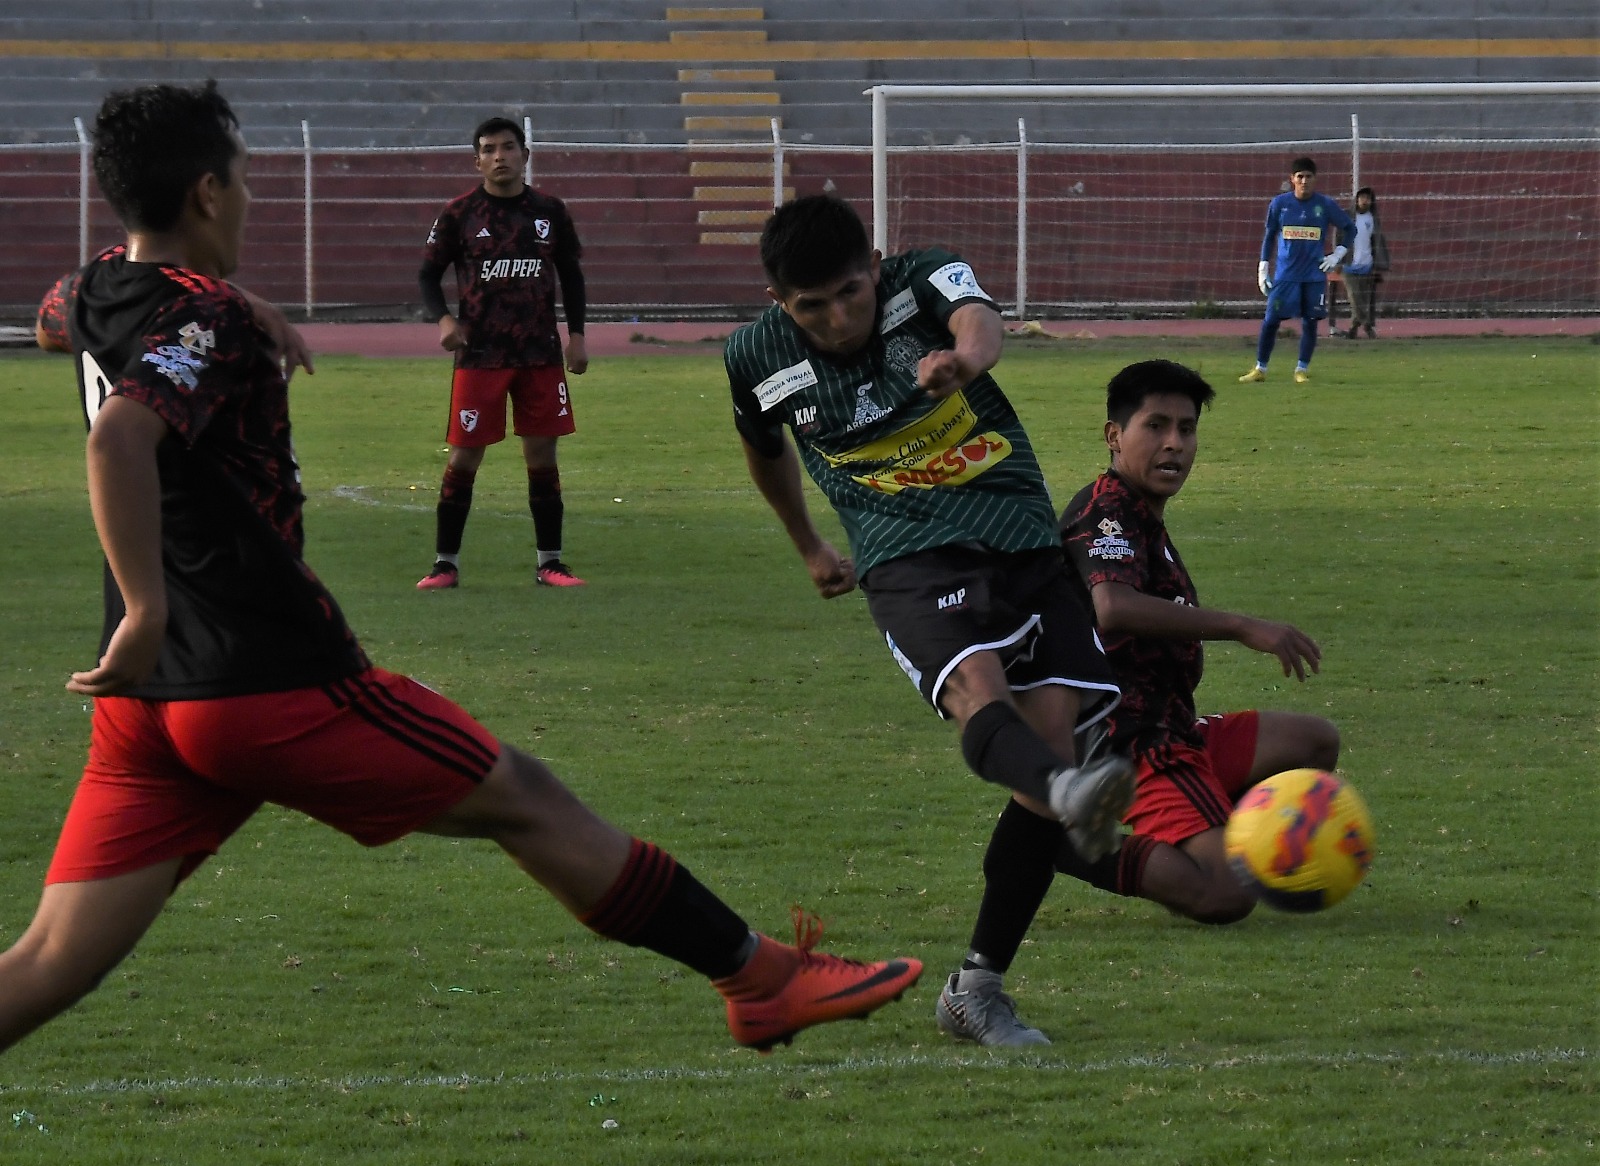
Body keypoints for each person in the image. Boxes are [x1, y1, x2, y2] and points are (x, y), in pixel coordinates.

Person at [4, 81, 921, 1061]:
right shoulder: (209, 318)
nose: (251, 196)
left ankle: (760, 977)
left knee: (54, 954)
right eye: (242, 180)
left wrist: (240, 305)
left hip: (146, 705)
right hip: (261, 674)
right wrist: (143, 602)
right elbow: (118, 441)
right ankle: (760, 979)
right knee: (525, 797)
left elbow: (65, 315)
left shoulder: (99, 279)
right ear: (207, 194)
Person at [724, 194, 1135, 1048]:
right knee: (981, 693)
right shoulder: (756, 356)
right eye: (811, 307)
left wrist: (964, 364)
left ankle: (974, 987)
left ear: (874, 265)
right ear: (778, 304)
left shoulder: (921, 278)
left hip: (1015, 522)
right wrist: (807, 544)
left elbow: (981, 320)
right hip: (906, 548)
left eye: (850, 291)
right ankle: (1068, 792)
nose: (838, 318)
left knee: (1051, 738)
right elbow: (764, 450)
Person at [1058, 359, 1341, 922]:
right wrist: (1242, 626)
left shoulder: (1143, 515)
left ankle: (1209, 830)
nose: (1174, 444)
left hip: (1174, 727)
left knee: (1313, 743)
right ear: (1114, 436)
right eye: (1155, 426)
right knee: (1227, 894)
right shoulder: (1107, 511)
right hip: (1128, 743)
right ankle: (1059, 843)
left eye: (1186, 429)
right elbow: (1112, 607)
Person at [416, 116, 589, 590]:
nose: (499, 156)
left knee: (542, 454)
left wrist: (577, 335)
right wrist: (445, 320)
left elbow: (572, 275)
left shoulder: (551, 211)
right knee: (465, 456)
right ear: (477, 160)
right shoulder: (459, 213)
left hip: (539, 353)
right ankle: (444, 564)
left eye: (508, 147)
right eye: (489, 149)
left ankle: (550, 563)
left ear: (524, 155)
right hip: (480, 356)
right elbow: (428, 275)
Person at [1239, 157, 1355, 385]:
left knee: (1310, 322)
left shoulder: (1325, 205)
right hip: (1285, 276)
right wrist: (1263, 266)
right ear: (1292, 179)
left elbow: (1350, 229)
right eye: (1299, 177)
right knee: (1271, 320)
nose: (1304, 181)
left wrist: (1337, 255)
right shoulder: (1280, 204)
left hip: (1313, 276)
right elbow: (1270, 235)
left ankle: (1301, 369)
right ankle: (1260, 368)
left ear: (1315, 179)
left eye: (1308, 177)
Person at [1332, 187, 1390, 339]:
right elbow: (1338, 237)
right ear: (1356, 199)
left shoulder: (1373, 219)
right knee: (1355, 297)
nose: (1365, 201)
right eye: (1362, 197)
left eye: (1368, 198)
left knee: (1364, 300)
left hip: (1367, 265)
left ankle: (1353, 328)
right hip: (1349, 266)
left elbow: (1377, 242)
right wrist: (1338, 260)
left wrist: (1379, 263)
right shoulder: (1347, 216)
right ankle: (1367, 325)